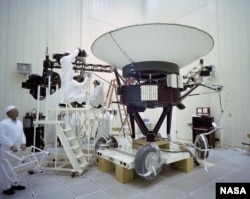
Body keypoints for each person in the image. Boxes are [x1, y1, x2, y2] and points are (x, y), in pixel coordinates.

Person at [0, 106, 26, 195]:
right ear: (9, 113)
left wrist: (23, 143)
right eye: (15, 111)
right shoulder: (3, 123)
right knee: (6, 168)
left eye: (17, 111)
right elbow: (2, 136)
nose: (17, 112)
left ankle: (16, 183)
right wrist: (11, 146)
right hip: (8, 150)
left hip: (18, 149)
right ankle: (6, 187)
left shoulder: (19, 122)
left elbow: (22, 133)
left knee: (17, 167)